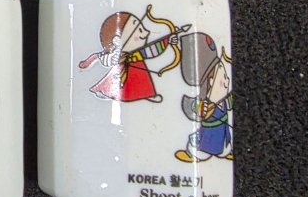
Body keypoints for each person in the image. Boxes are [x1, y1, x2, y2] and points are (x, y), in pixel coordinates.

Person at [79, 11, 183, 103]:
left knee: (140, 82)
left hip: (138, 70)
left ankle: (145, 94)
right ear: (117, 39)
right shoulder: (118, 55)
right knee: (117, 84)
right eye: (139, 30)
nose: (146, 33)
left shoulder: (138, 54)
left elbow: (153, 50)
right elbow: (106, 60)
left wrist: (168, 40)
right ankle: (109, 93)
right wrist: (111, 58)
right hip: (119, 75)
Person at [175, 33, 233, 162]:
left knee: (224, 146)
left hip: (222, 130)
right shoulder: (204, 104)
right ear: (210, 82)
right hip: (208, 133)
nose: (227, 81)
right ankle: (193, 154)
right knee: (203, 150)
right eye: (223, 78)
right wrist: (202, 109)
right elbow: (193, 109)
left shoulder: (224, 101)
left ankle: (225, 152)